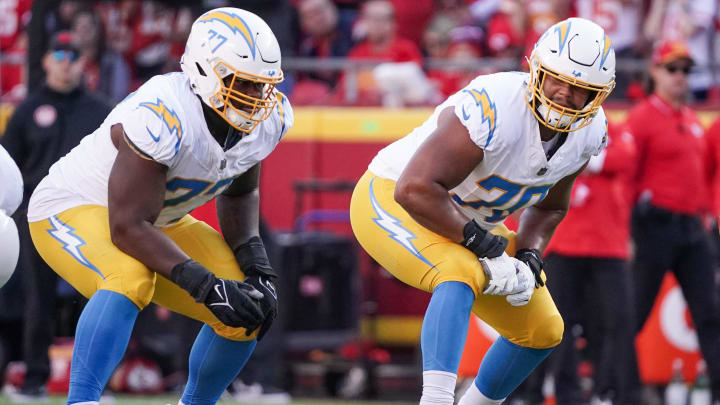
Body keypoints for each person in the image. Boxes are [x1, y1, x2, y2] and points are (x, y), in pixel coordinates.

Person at [25, 7, 293, 405]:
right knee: (129, 278)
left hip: (157, 219)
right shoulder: (162, 112)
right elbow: (127, 227)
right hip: (75, 206)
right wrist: (205, 285)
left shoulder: (265, 120)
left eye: (261, 86)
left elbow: (239, 193)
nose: (256, 98)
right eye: (244, 84)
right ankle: (81, 401)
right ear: (206, 71)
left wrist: (257, 266)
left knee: (246, 309)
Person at [350, 17, 616, 405]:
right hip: (392, 198)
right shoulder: (496, 105)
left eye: (580, 89)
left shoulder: (589, 133)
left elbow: (550, 207)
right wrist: (485, 245)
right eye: (557, 79)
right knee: (459, 271)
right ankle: (436, 400)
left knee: (543, 329)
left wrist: (527, 254)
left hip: (470, 226)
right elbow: (416, 189)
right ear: (535, 69)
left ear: (599, 95)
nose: (563, 94)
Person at [1, 30, 113, 402]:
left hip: (89, 215)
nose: (66, 64)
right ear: (47, 61)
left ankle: (95, 384)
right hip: (35, 216)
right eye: (59, 56)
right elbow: (8, 168)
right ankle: (34, 380)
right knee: (38, 299)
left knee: (96, 299)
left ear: (84, 63)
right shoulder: (27, 111)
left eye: (73, 57)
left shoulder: (100, 111)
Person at [626, 39, 720, 402]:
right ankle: (623, 390)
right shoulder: (642, 118)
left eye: (685, 70)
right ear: (655, 72)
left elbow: (709, 174)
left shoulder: (692, 120)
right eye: (673, 69)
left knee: (710, 313)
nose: (680, 76)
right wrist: (628, 232)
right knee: (633, 315)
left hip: (691, 229)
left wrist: (707, 213)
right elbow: (629, 180)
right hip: (652, 226)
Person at [540, 121, 640, 405]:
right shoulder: (557, 128)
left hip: (608, 245)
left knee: (616, 323)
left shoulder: (618, 129)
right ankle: (567, 395)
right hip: (563, 242)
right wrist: (591, 160)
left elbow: (623, 158)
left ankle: (610, 392)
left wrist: (574, 157)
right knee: (558, 324)